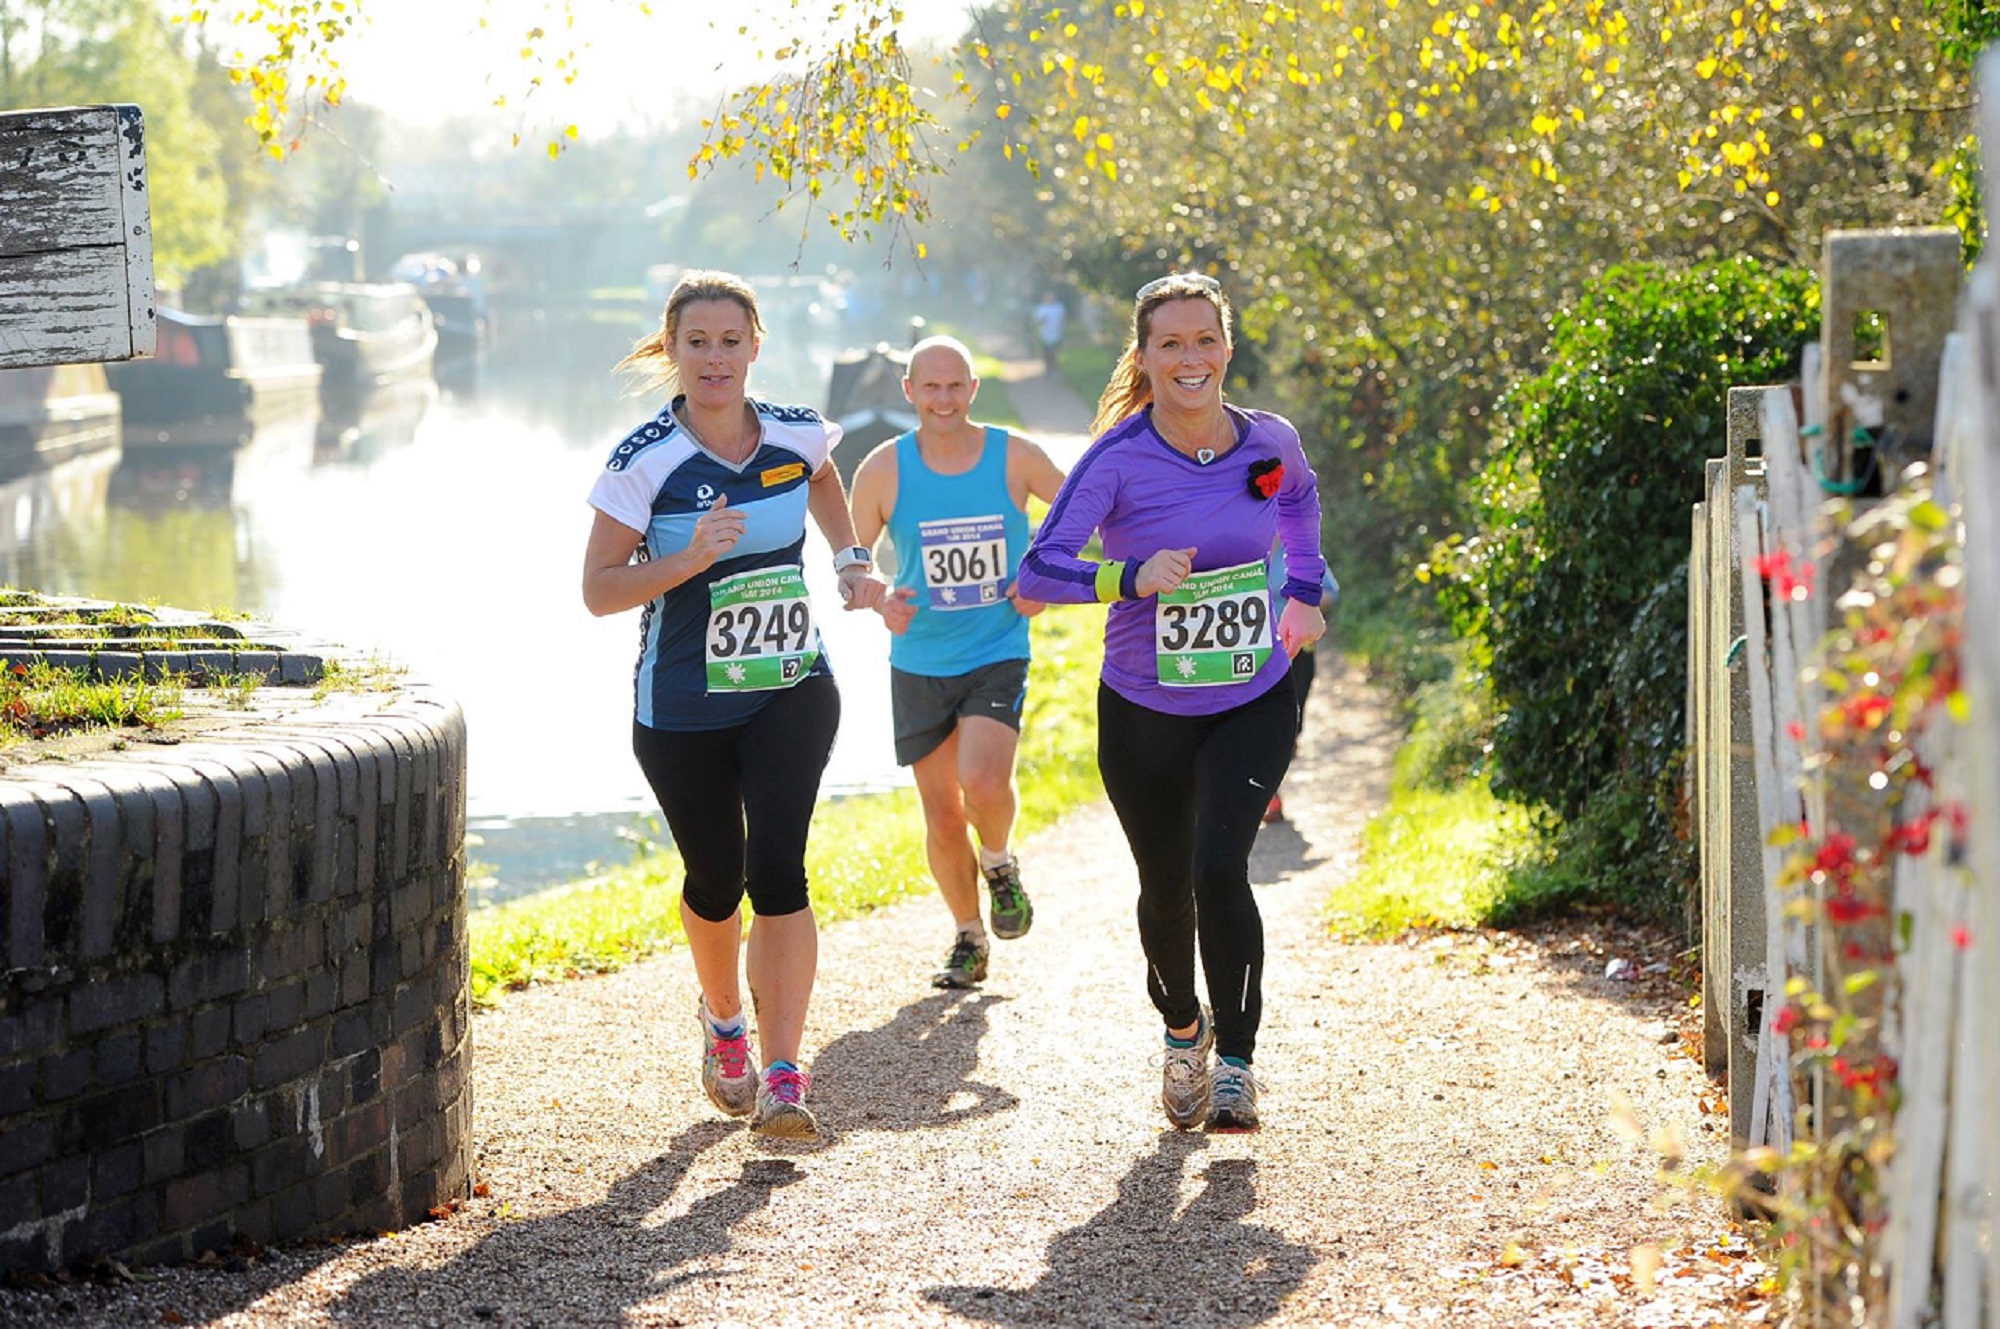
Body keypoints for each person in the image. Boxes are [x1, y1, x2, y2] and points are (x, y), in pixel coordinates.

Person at [1014, 272, 1327, 1134]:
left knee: (1221, 869)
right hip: (1145, 709)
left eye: (1204, 340)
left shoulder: (1271, 442)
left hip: (1252, 693)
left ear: (1227, 347)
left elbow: (1298, 503)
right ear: (1145, 357)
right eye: (1171, 344)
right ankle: (1183, 1029)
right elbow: (1036, 571)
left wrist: (1305, 590)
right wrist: (1126, 576)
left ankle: (1235, 1065)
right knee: (1166, 888)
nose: (1191, 358)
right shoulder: (1117, 458)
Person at [581, 270, 889, 1141]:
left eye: (730, 341)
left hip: (792, 687)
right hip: (682, 707)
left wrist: (850, 557)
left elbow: (824, 479)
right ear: (671, 350)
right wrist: (686, 559)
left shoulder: (793, 431)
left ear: (756, 344)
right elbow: (598, 591)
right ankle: (725, 1023)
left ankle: (786, 1073)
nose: (714, 358)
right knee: (716, 880)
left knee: (779, 869)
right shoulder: (644, 459)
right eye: (696, 342)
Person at [847, 336, 1068, 990]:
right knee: (942, 813)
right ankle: (969, 936)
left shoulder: (1015, 455)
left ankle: (999, 861)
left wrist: (1043, 578)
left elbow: (1083, 515)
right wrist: (878, 597)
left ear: (973, 389)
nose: (943, 400)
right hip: (918, 658)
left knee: (985, 781)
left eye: (955, 386)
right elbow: (850, 564)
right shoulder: (883, 469)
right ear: (909, 392)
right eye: (930, 387)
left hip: (996, 647)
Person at [1260, 543, 1340, 824]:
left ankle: (1270, 785)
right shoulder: (1246, 546)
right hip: (1258, 653)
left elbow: (1331, 592)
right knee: (1261, 725)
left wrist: (1304, 601)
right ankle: (1270, 794)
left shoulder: (1300, 552)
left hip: (1298, 653)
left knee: (1289, 727)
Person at [1032, 292, 1067, 375]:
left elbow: (1063, 319)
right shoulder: (1041, 308)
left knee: (1055, 352)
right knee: (1047, 352)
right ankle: (1048, 369)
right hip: (1045, 334)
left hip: (1057, 333)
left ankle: (1055, 368)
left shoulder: (1059, 308)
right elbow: (1037, 321)